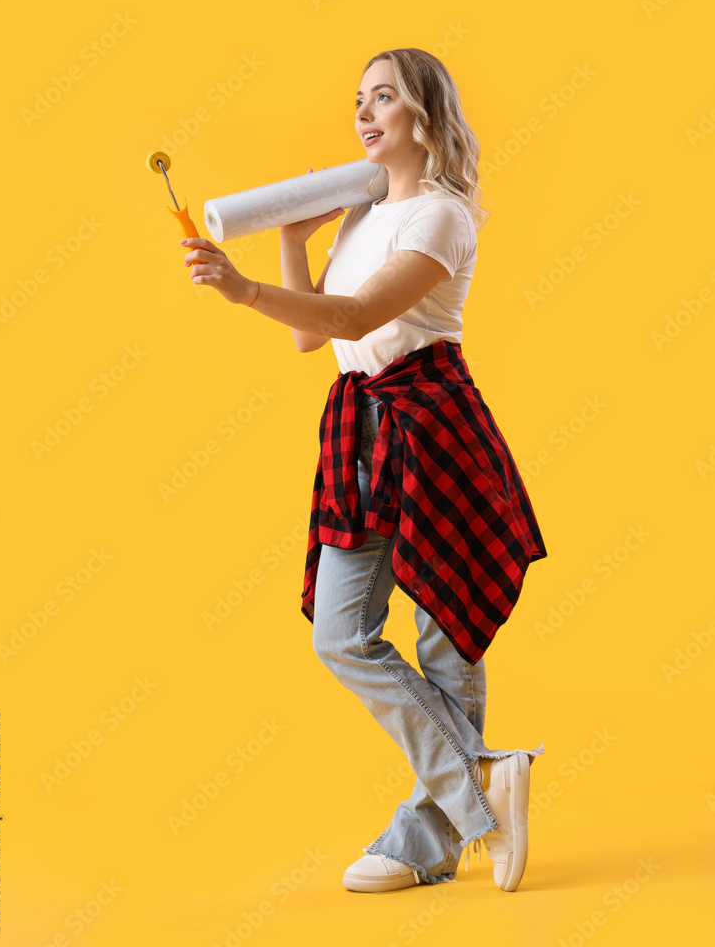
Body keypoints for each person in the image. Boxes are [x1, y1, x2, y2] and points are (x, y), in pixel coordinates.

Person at [181, 48, 548, 893]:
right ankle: (486, 781)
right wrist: (289, 239)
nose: (364, 111)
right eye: (358, 98)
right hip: (360, 418)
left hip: (431, 416)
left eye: (384, 96)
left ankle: (428, 842)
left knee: (445, 633)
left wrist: (241, 294)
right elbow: (318, 336)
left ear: (424, 113)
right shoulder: (362, 214)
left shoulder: (444, 218)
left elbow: (355, 313)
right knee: (341, 633)